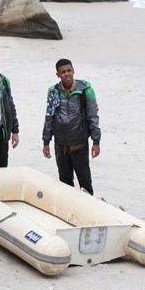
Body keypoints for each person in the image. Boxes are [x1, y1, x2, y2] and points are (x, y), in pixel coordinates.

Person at [42, 59, 101, 195]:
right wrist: (46, 142)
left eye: (69, 70)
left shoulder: (85, 90)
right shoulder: (53, 91)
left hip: (79, 144)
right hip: (61, 146)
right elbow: (49, 116)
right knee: (64, 184)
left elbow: (93, 116)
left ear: (73, 71)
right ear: (58, 75)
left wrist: (96, 142)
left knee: (85, 183)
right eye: (63, 72)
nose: (67, 74)